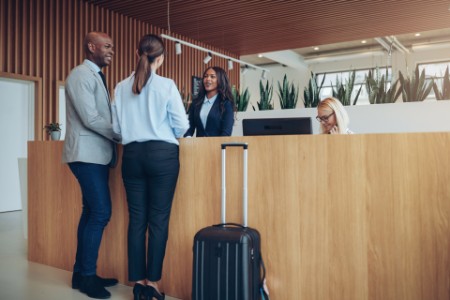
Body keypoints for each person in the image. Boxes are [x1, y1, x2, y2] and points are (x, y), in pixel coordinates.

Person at [112, 34, 189, 300]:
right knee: (158, 220)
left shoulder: (121, 86)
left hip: (131, 156)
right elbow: (181, 126)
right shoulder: (166, 85)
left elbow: (116, 129)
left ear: (137, 53)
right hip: (162, 155)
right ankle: (153, 284)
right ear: (161, 59)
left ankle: (138, 283)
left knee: (137, 221)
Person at [62, 32, 121, 299]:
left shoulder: (94, 75)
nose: (111, 51)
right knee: (100, 213)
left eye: (112, 47)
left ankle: (80, 274)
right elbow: (90, 118)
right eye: (106, 46)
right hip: (86, 155)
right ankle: (87, 277)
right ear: (91, 47)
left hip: (94, 156)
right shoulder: (81, 75)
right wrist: (121, 133)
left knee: (90, 213)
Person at [184, 66, 235, 137]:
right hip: (197, 146)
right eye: (205, 76)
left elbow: (226, 132)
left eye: (212, 77)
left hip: (217, 146)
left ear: (220, 80)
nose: (208, 79)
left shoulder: (226, 104)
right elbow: (189, 127)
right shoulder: (196, 103)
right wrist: (188, 138)